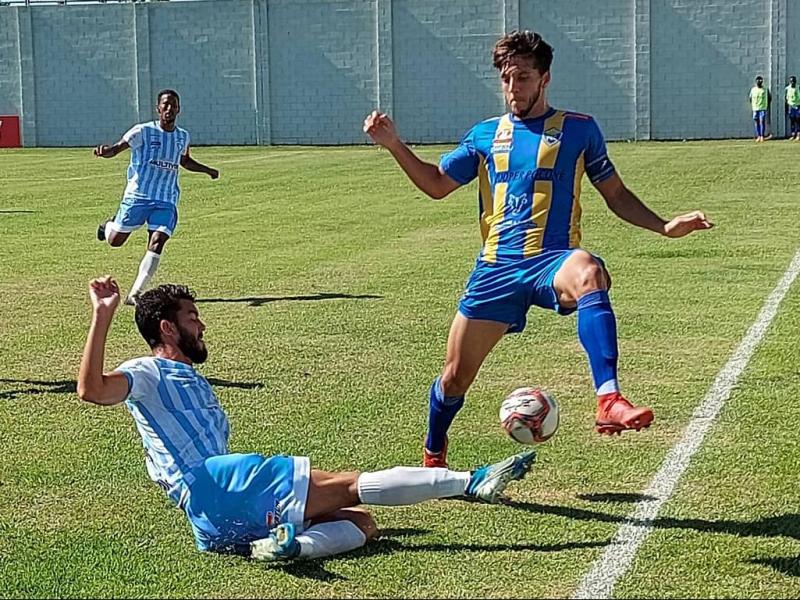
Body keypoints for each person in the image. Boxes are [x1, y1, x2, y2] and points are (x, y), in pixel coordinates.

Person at [363, 30, 713, 468]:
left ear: (545, 78)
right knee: (454, 380)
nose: (514, 89)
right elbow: (436, 185)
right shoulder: (485, 135)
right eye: (507, 79)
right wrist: (395, 145)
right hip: (496, 268)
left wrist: (664, 225)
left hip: (553, 260)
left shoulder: (579, 130)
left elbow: (616, 193)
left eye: (523, 78)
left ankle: (609, 398)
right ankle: (434, 451)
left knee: (589, 270)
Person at [76, 276, 536, 561]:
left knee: (362, 525)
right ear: (167, 328)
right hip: (215, 484)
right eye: (193, 318)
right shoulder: (150, 370)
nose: (202, 326)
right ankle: (469, 482)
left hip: (211, 521)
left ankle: (287, 546)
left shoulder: (187, 381)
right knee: (351, 483)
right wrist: (102, 317)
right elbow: (92, 390)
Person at [93, 90, 219, 306]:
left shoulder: (182, 136)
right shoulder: (142, 131)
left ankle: (135, 293)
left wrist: (208, 170)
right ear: (158, 108)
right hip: (138, 196)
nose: (169, 109)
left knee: (158, 240)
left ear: (179, 109)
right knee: (115, 241)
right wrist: (106, 151)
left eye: (174, 105)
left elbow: (185, 161)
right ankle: (109, 227)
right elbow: (117, 148)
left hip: (166, 199)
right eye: (165, 104)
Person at [750, 76, 771, 142]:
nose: (759, 82)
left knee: (762, 121)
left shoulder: (765, 89)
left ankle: (762, 136)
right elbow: (750, 98)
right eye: (758, 81)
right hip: (755, 108)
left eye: (760, 81)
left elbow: (769, 98)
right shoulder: (753, 90)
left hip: (762, 108)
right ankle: (758, 136)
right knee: (756, 122)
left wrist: (765, 105)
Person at [785, 76, 800, 140]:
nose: (792, 83)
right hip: (790, 106)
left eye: (794, 81)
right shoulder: (787, 88)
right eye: (791, 81)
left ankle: (798, 135)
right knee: (792, 121)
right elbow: (786, 97)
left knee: (798, 120)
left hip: (798, 105)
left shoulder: (798, 87)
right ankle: (793, 134)